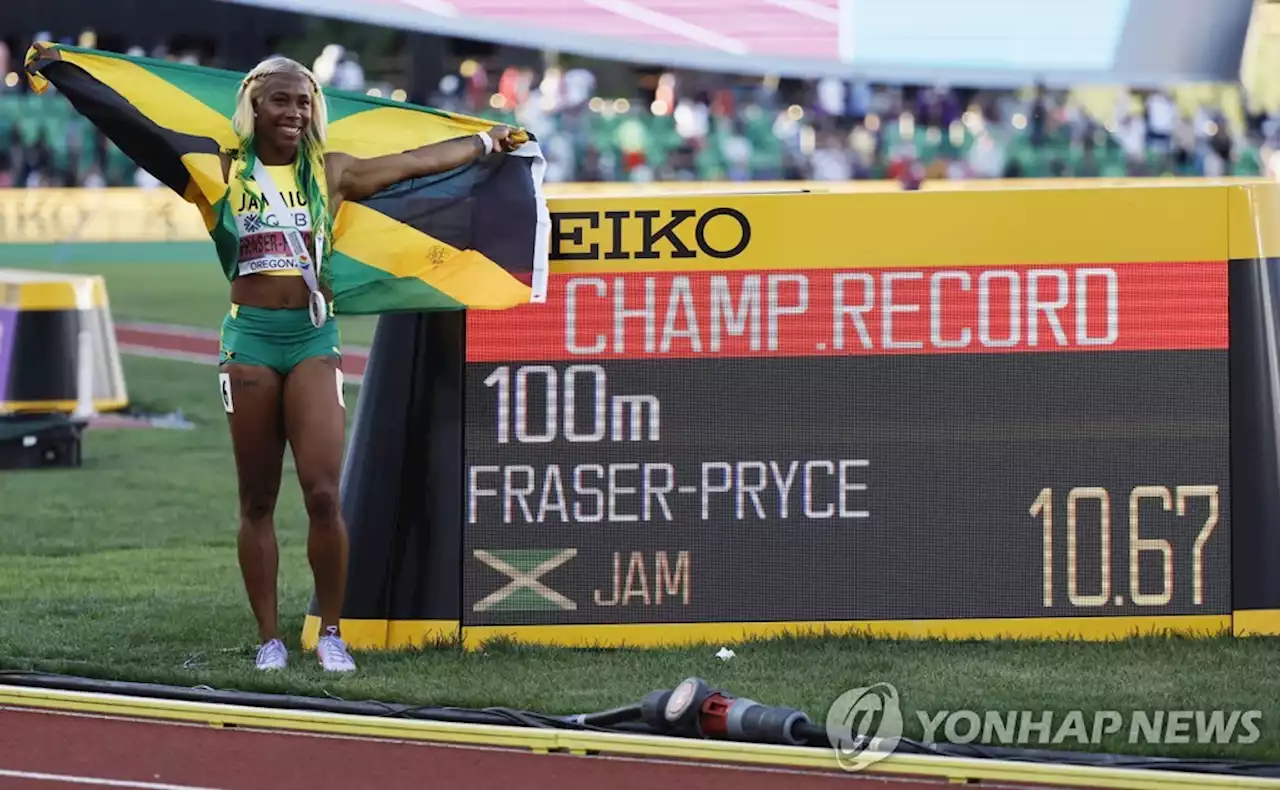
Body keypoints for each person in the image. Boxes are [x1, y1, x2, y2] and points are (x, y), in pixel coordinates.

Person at [27, 42, 523, 673]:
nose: (294, 110)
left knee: (322, 493)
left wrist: (486, 142)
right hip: (251, 342)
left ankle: (333, 634)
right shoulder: (217, 172)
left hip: (313, 338)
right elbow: (136, 126)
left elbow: (413, 163)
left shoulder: (331, 172)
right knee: (257, 500)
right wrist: (70, 73)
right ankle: (269, 639)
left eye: (303, 100)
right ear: (254, 108)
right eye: (281, 100)